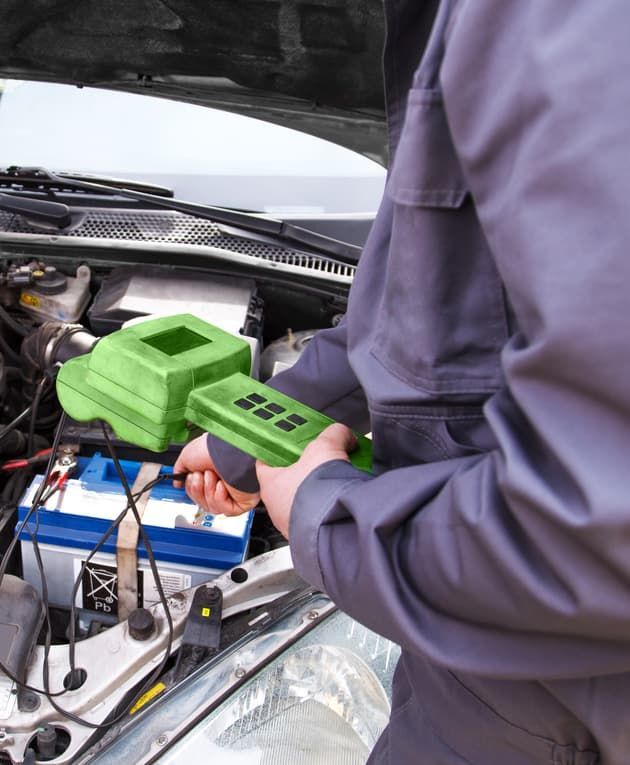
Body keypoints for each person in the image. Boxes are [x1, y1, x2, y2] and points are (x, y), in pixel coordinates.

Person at [174, 0, 630, 762]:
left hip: (557, 698)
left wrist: (325, 511)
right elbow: (435, 304)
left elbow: (598, 517)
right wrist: (247, 438)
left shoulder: (561, 22)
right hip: (483, 653)